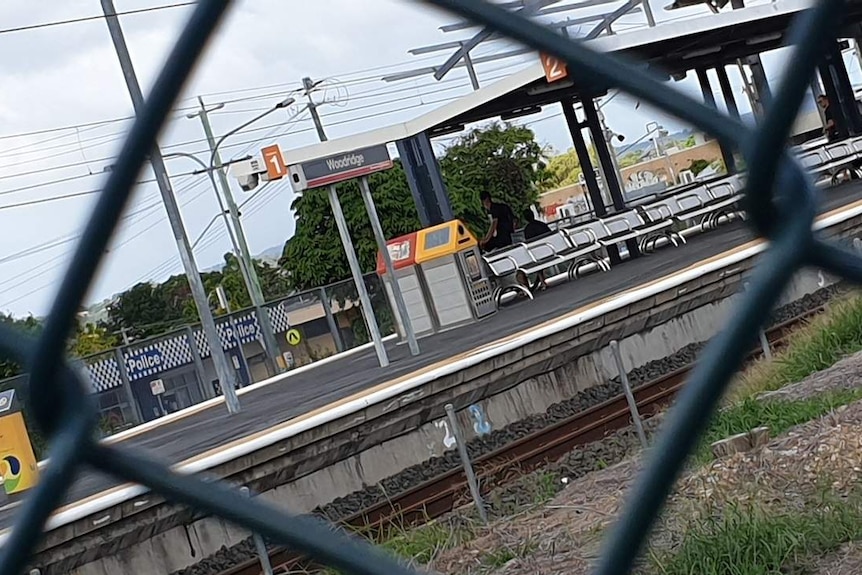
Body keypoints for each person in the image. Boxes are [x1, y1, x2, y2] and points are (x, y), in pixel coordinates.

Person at [522, 208, 552, 291]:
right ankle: (541, 282)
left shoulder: (527, 230)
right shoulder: (542, 224)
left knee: (535, 258)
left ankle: (542, 281)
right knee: (537, 256)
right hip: (550, 249)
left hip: (537, 254)